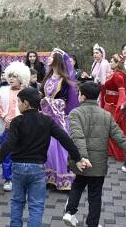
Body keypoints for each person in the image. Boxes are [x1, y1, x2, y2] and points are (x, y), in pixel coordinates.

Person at [0, 87, 86, 227]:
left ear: (25, 103)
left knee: (17, 202)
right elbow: (65, 139)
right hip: (38, 168)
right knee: (36, 205)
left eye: (18, 102)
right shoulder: (47, 121)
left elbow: (9, 145)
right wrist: (78, 158)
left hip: (18, 167)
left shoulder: (17, 121)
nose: (17, 105)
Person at [63, 81, 126, 227]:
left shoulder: (75, 113)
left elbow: (77, 137)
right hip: (98, 164)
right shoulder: (106, 115)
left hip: (81, 160)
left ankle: (70, 212)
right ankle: (92, 224)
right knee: (95, 195)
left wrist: (82, 157)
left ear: (83, 97)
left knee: (78, 184)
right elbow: (119, 136)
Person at [40, 48, 79, 190]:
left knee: (59, 147)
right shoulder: (47, 78)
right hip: (45, 118)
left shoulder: (65, 81)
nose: (49, 58)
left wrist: (51, 103)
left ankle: (62, 178)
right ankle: (48, 177)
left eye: (51, 56)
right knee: (47, 148)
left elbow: (66, 101)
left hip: (58, 119)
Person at [0, 61, 31, 192]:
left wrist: (18, 120)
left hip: (22, 127)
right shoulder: (3, 91)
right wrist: (4, 117)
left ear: (21, 78)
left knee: (22, 152)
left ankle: (21, 178)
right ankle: (8, 178)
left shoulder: (26, 92)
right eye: (9, 76)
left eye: (14, 76)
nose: (11, 79)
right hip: (6, 127)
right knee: (6, 153)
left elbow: (30, 109)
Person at [100, 54, 126, 167]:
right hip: (108, 103)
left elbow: (122, 92)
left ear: (117, 63)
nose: (110, 63)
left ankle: (116, 152)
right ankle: (110, 150)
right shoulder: (114, 74)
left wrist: (121, 106)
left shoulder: (118, 76)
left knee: (111, 127)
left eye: (112, 61)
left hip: (112, 105)